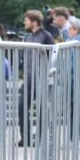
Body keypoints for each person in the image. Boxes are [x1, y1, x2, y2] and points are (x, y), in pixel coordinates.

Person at [18, 10, 55, 147]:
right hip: (28, 78)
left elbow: (52, 55)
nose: (25, 23)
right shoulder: (27, 36)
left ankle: (40, 138)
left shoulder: (47, 36)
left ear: (34, 22)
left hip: (41, 78)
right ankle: (25, 137)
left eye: (27, 20)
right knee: (22, 106)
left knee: (41, 108)